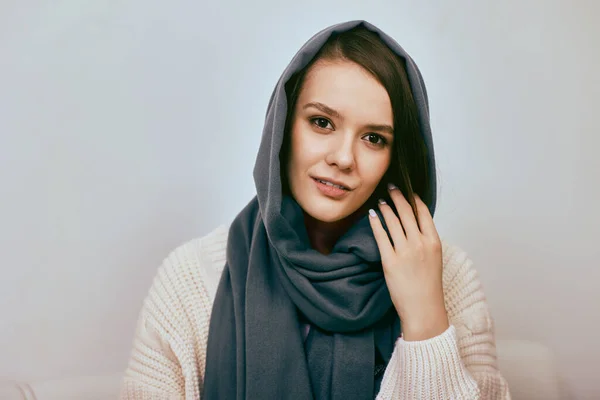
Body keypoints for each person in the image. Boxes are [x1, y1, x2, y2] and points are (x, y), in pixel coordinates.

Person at [120, 20, 511, 399]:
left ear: (396, 158)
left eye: (374, 138)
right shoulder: (191, 279)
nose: (343, 158)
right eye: (322, 122)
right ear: (283, 128)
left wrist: (425, 321)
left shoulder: (448, 280)